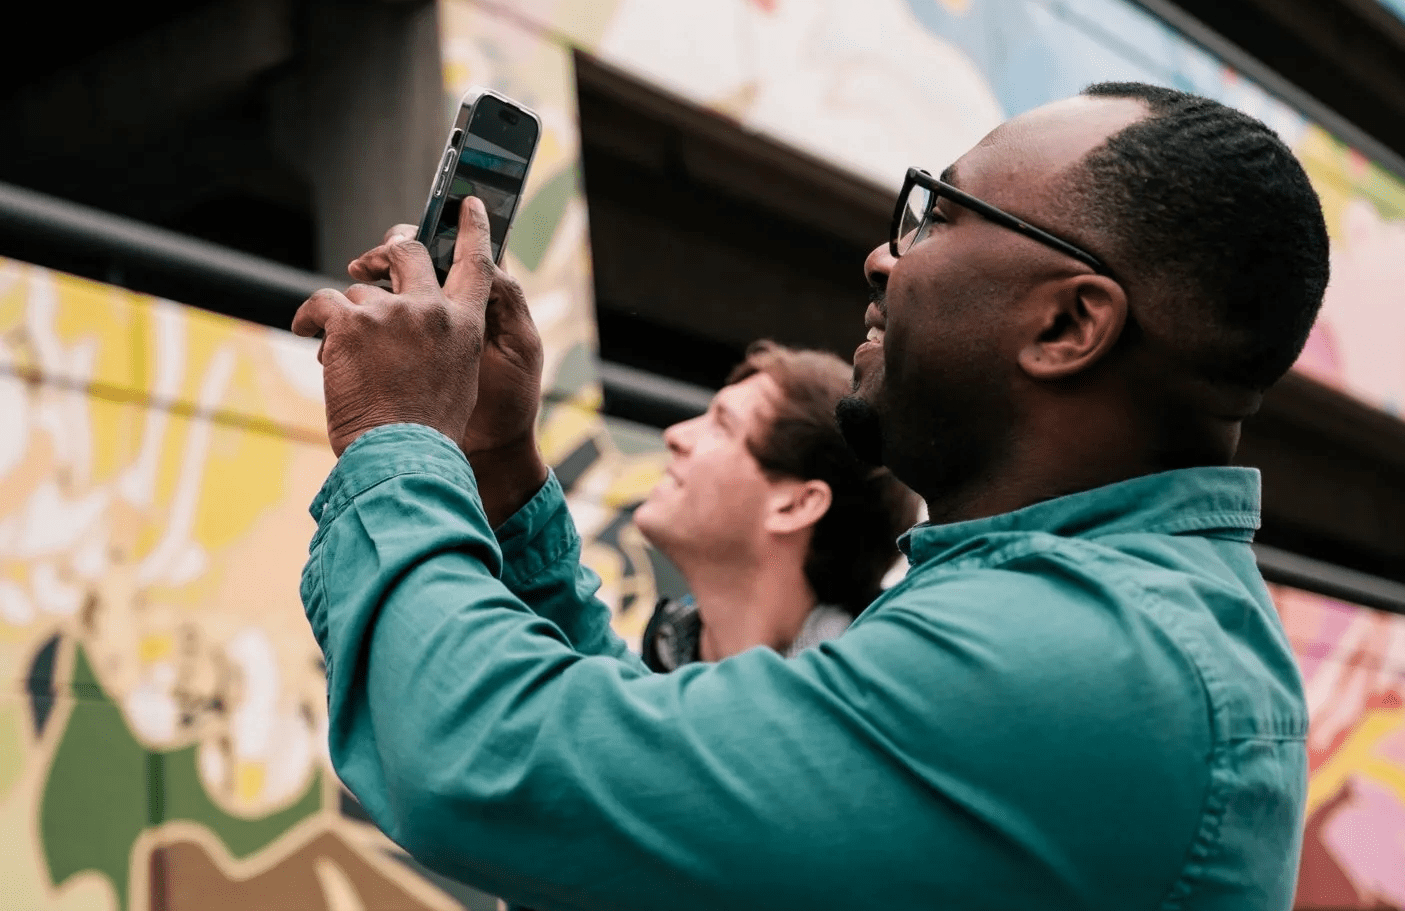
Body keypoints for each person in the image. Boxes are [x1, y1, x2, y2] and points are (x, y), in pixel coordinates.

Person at [291, 82, 1329, 909]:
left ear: (1068, 325)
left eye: (938, 214)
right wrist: (503, 461)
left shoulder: (1078, 653)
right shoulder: (1094, 620)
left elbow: (492, 763)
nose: (883, 254)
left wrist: (399, 434)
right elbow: (651, 788)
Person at [634, 341, 918, 670]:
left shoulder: (869, 705)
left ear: (795, 506)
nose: (675, 435)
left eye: (723, 425)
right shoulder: (659, 664)